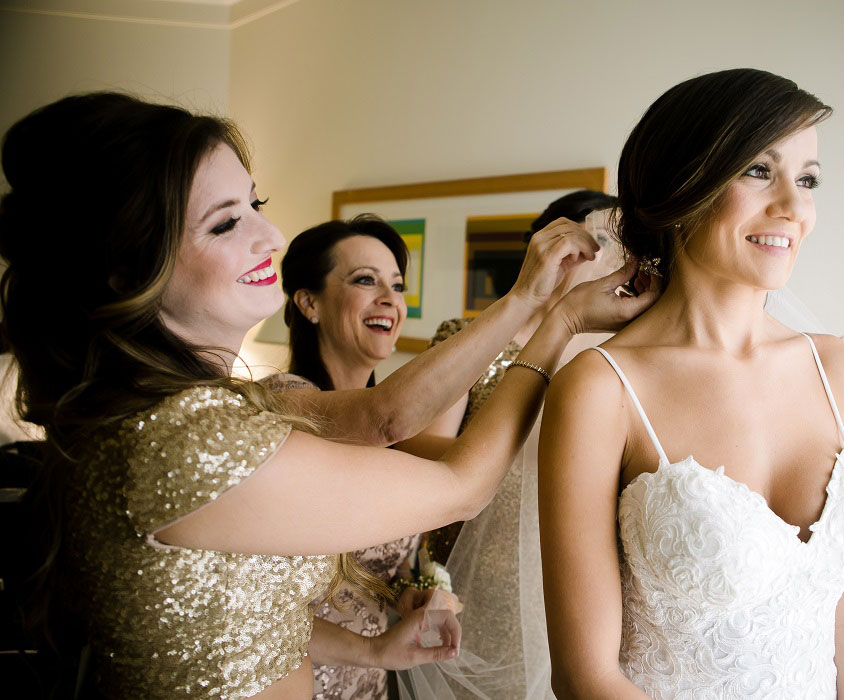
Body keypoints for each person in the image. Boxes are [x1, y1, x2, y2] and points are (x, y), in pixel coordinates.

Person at [0, 92, 656, 699]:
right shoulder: (189, 447)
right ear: (129, 271)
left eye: (254, 206)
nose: (272, 238)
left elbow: (245, 605)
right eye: (226, 224)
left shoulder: (210, 409)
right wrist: (558, 322)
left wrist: (370, 650)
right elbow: (460, 484)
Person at [538, 69, 844, 698]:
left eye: (807, 179)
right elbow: (586, 677)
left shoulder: (843, 372)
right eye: (759, 171)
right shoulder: (602, 390)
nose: (793, 207)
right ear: (683, 188)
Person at [399, 190, 623, 700]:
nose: (606, 262)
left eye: (618, 249)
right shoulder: (471, 336)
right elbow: (417, 446)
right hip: (472, 567)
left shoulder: (611, 358)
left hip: (567, 568)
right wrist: (509, 462)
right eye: (597, 243)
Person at [264, 215, 426, 700]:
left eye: (396, 286)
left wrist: (407, 594)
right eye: (364, 280)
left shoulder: (393, 432)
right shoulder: (285, 404)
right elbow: (262, 605)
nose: (389, 299)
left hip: (369, 687)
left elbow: (374, 567)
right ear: (309, 302)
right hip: (299, 683)